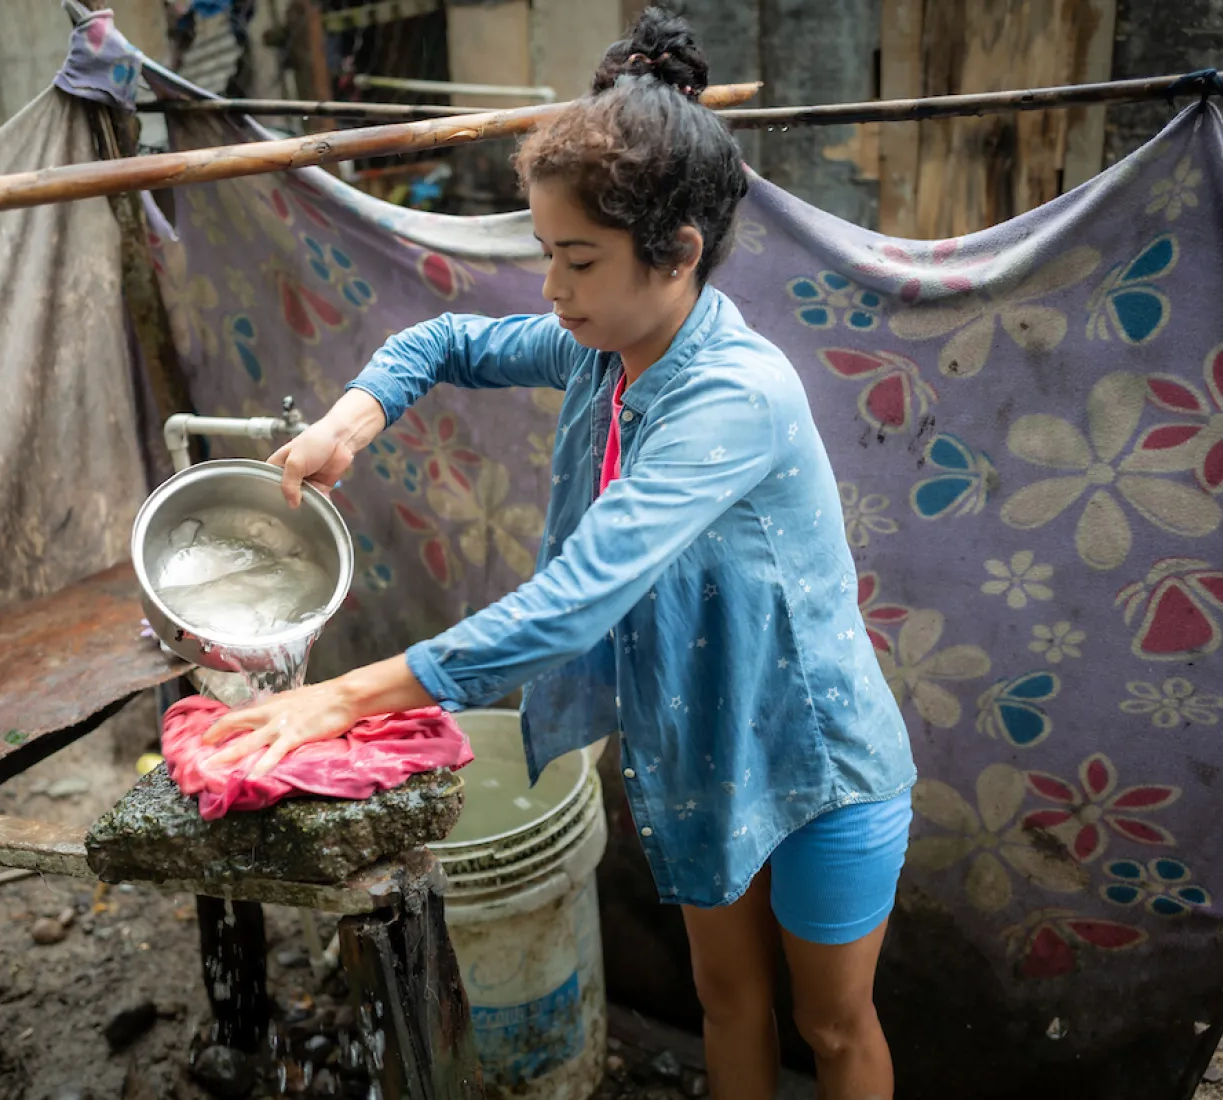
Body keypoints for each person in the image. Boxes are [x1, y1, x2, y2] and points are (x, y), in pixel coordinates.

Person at [202, 8, 916, 1099]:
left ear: (677, 252)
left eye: (578, 259)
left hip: (822, 760)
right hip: (702, 743)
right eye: (546, 254)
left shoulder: (735, 393)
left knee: (831, 1022)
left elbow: (577, 599)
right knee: (727, 1000)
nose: (551, 288)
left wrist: (347, 695)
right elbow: (442, 339)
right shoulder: (606, 348)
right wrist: (355, 415)